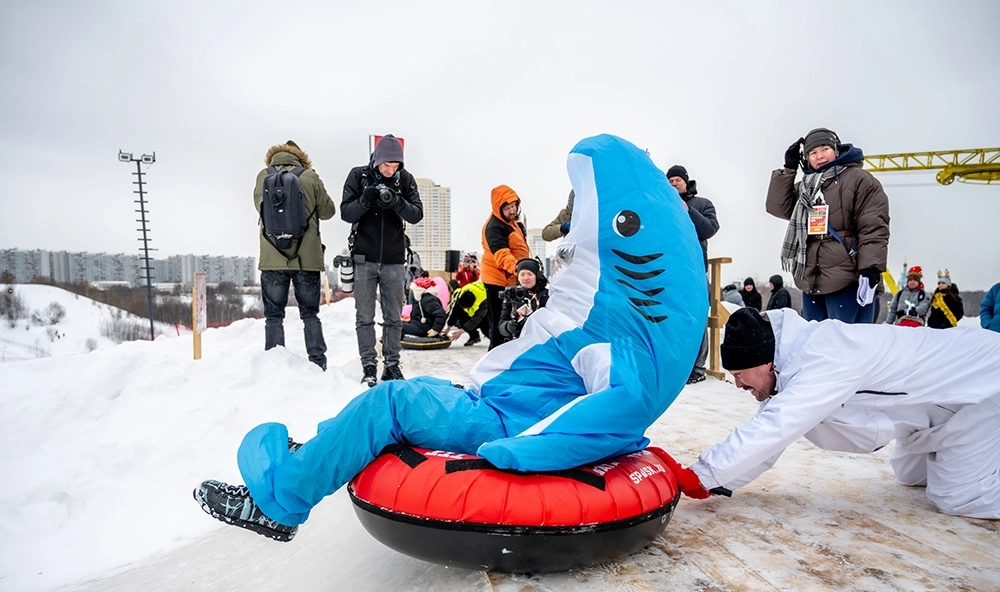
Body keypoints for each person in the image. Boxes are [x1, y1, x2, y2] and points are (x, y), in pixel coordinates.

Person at [193, 133, 708, 542]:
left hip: (502, 419)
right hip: (493, 400)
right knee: (398, 397)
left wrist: (522, 449)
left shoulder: (610, 347)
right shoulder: (589, 325)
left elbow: (625, 406)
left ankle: (279, 503)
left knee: (388, 402)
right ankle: (322, 450)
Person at [664, 307, 1000, 519]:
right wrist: (718, 482)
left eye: (739, 374)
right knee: (909, 475)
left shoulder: (824, 358)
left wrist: (703, 474)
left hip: (978, 386)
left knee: (958, 497)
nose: (738, 384)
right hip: (927, 411)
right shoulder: (787, 367)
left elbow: (778, 426)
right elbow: (769, 441)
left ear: (764, 362)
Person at [766, 128, 889, 323]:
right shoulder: (807, 186)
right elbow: (777, 207)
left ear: (836, 151)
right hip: (811, 278)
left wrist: (871, 267)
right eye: (813, 153)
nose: (820, 156)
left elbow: (873, 227)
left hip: (846, 277)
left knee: (845, 338)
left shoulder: (859, 180)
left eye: (825, 149)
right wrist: (789, 170)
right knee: (815, 338)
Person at [341, 134, 424, 387]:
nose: (390, 171)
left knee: (394, 318)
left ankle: (392, 365)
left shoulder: (404, 179)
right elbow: (346, 213)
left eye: (395, 166)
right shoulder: (358, 176)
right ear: (377, 160)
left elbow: (416, 214)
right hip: (363, 257)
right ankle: (369, 365)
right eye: (387, 165)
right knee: (364, 316)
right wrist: (365, 200)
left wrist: (397, 201)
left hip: (394, 258)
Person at [254, 140, 337, 371]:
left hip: (272, 258)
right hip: (306, 259)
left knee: (273, 316)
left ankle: (274, 366)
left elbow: (259, 207)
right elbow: (329, 212)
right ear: (302, 158)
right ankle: (318, 363)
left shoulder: (263, 176)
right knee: (310, 314)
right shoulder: (310, 176)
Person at [667, 165, 719, 385]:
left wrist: (688, 210)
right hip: (669, 272)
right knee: (672, 317)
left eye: (677, 180)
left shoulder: (702, 204)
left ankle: (697, 368)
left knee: (696, 318)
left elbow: (710, 229)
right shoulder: (663, 205)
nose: (674, 184)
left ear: (686, 182)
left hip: (695, 271)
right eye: (670, 181)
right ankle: (676, 365)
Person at [480, 185, 530, 350]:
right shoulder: (494, 227)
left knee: (515, 319)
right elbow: (502, 255)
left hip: (512, 278)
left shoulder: (511, 222)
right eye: (508, 208)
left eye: (514, 206)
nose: (512, 210)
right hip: (498, 280)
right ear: (499, 209)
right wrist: (520, 269)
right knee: (499, 322)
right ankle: (495, 353)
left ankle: (509, 351)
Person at [498, 258, 549, 341]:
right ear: (518, 277)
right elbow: (501, 325)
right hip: (518, 342)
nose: (526, 278)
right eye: (522, 274)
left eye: (530, 274)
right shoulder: (512, 296)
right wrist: (508, 327)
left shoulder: (547, 295)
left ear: (537, 276)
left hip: (541, 340)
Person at [442, 280, 489, 346]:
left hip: (487, 311)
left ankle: (497, 342)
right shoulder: (461, 293)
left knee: (485, 328)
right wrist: (449, 327)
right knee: (462, 319)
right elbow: (455, 311)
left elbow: (476, 319)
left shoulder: (483, 302)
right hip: (473, 300)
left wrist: (460, 332)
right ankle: (474, 337)